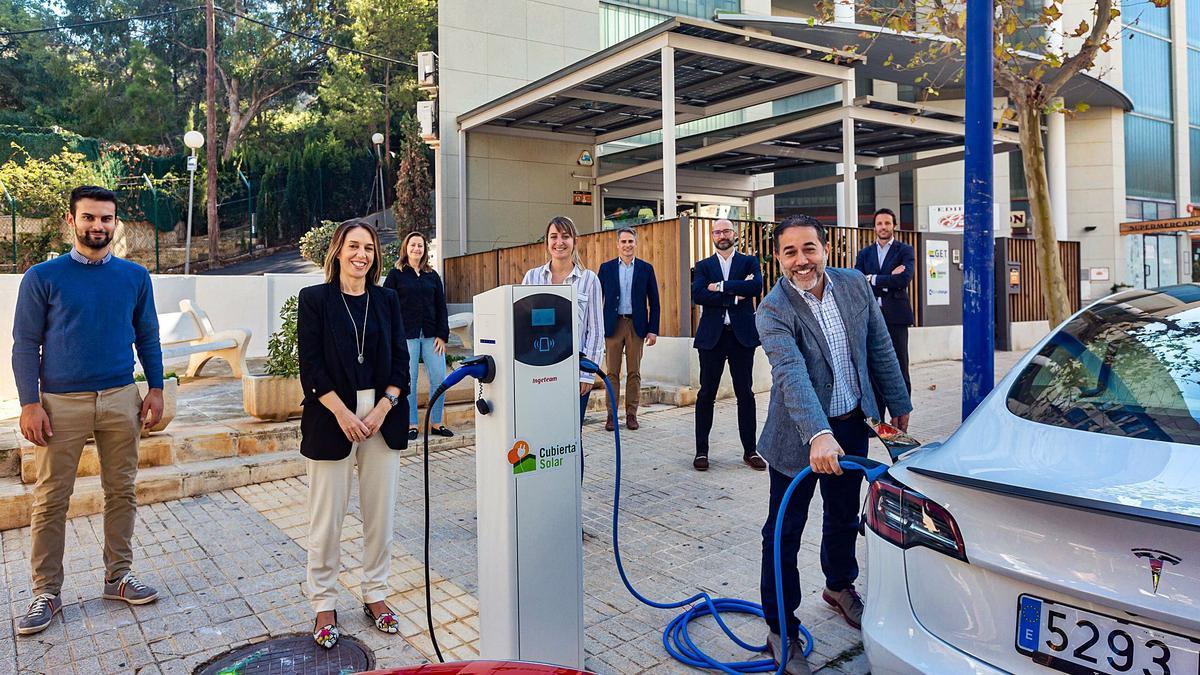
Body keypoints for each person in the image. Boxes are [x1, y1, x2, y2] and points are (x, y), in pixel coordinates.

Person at [755, 215, 912, 675]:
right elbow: (791, 374)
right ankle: (780, 627)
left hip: (851, 424)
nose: (801, 260)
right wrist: (817, 434)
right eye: (790, 252)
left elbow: (879, 345)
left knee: (844, 514)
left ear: (826, 250)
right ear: (779, 258)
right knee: (783, 532)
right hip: (799, 438)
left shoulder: (854, 286)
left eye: (809, 249)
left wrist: (897, 400)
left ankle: (839, 585)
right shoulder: (773, 309)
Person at [12, 185, 164, 636]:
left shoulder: (134, 276)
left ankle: (118, 577)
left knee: (122, 490)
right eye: (89, 217)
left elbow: (148, 336)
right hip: (60, 403)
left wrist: (155, 388)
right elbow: (25, 344)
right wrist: (29, 402)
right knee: (51, 498)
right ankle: (46, 592)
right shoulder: (43, 276)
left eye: (105, 218)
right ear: (71, 220)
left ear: (115, 223)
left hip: (121, 397)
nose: (97, 225)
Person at [297, 219, 410, 649]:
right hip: (331, 416)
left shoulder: (387, 300)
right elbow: (311, 367)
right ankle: (324, 601)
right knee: (326, 519)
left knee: (380, 516)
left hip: (382, 416)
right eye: (353, 246)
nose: (361, 254)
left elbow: (400, 361)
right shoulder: (315, 300)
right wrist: (344, 413)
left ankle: (375, 593)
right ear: (338, 251)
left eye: (368, 248)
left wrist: (383, 407)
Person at [521, 216, 604, 472]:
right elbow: (521, 325)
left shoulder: (589, 280)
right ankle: (541, 490)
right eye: (554, 237)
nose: (560, 242)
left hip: (572, 375)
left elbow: (596, 331)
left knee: (569, 439)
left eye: (565, 236)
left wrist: (586, 374)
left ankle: (570, 499)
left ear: (574, 241)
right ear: (546, 242)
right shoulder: (533, 276)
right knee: (538, 435)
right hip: (537, 373)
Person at [690, 218, 764, 472]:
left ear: (735, 234)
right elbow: (698, 294)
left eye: (726, 231)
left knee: (745, 393)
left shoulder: (749, 262)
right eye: (717, 231)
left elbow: (756, 286)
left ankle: (750, 451)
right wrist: (735, 297)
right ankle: (701, 452)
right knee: (706, 394)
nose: (722, 235)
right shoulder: (703, 265)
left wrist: (720, 287)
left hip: (741, 337)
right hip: (712, 338)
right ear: (713, 236)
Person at [384, 231, 452, 440]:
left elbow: (441, 306)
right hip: (407, 336)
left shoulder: (432, 275)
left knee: (439, 378)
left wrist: (442, 334)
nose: (416, 249)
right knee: (408, 381)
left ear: (424, 249)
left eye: (420, 245)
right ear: (406, 248)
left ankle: (436, 423)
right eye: (413, 245)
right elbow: (387, 305)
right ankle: (411, 423)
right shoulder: (396, 274)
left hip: (432, 335)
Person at [597, 227, 660, 432]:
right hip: (613, 326)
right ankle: (611, 415)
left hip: (636, 325)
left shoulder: (645, 268)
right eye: (623, 242)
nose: (627, 245)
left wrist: (653, 329)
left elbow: (655, 302)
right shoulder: (606, 269)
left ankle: (631, 414)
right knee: (612, 373)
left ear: (635, 243)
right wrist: (597, 328)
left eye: (630, 241)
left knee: (634, 372)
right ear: (617, 244)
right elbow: (598, 301)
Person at [853, 208, 915, 395]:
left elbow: (903, 279)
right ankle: (877, 417)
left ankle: (903, 412)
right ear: (874, 227)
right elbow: (858, 281)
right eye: (880, 223)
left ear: (894, 226)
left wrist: (873, 279)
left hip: (896, 317)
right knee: (873, 368)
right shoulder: (864, 254)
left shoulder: (905, 250)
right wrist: (888, 280)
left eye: (887, 223)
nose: (883, 227)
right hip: (871, 316)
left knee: (899, 365)